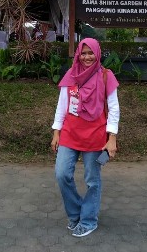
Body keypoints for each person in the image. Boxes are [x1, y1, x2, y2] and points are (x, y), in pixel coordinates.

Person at [50, 38, 120, 238]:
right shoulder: (71, 75)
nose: (87, 57)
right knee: (62, 173)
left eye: (91, 53)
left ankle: (88, 220)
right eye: (83, 53)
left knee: (92, 180)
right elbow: (62, 105)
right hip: (70, 133)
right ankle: (75, 214)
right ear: (78, 54)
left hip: (95, 134)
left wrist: (112, 137)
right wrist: (56, 131)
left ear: (97, 54)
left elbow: (114, 109)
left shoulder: (106, 76)